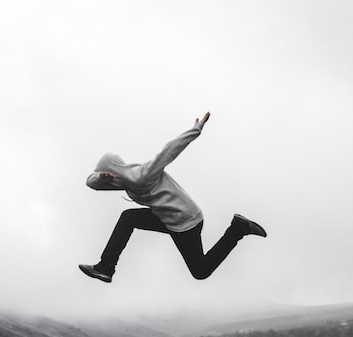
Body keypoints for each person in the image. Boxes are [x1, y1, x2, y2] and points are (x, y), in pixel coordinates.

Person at [79, 112, 266, 283]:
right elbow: (90, 183)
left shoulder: (142, 174)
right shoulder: (123, 182)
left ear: (113, 170)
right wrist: (100, 177)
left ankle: (237, 229)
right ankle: (106, 267)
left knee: (200, 271)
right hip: (167, 218)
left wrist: (196, 129)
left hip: (186, 219)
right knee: (128, 218)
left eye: (104, 173)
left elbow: (170, 149)